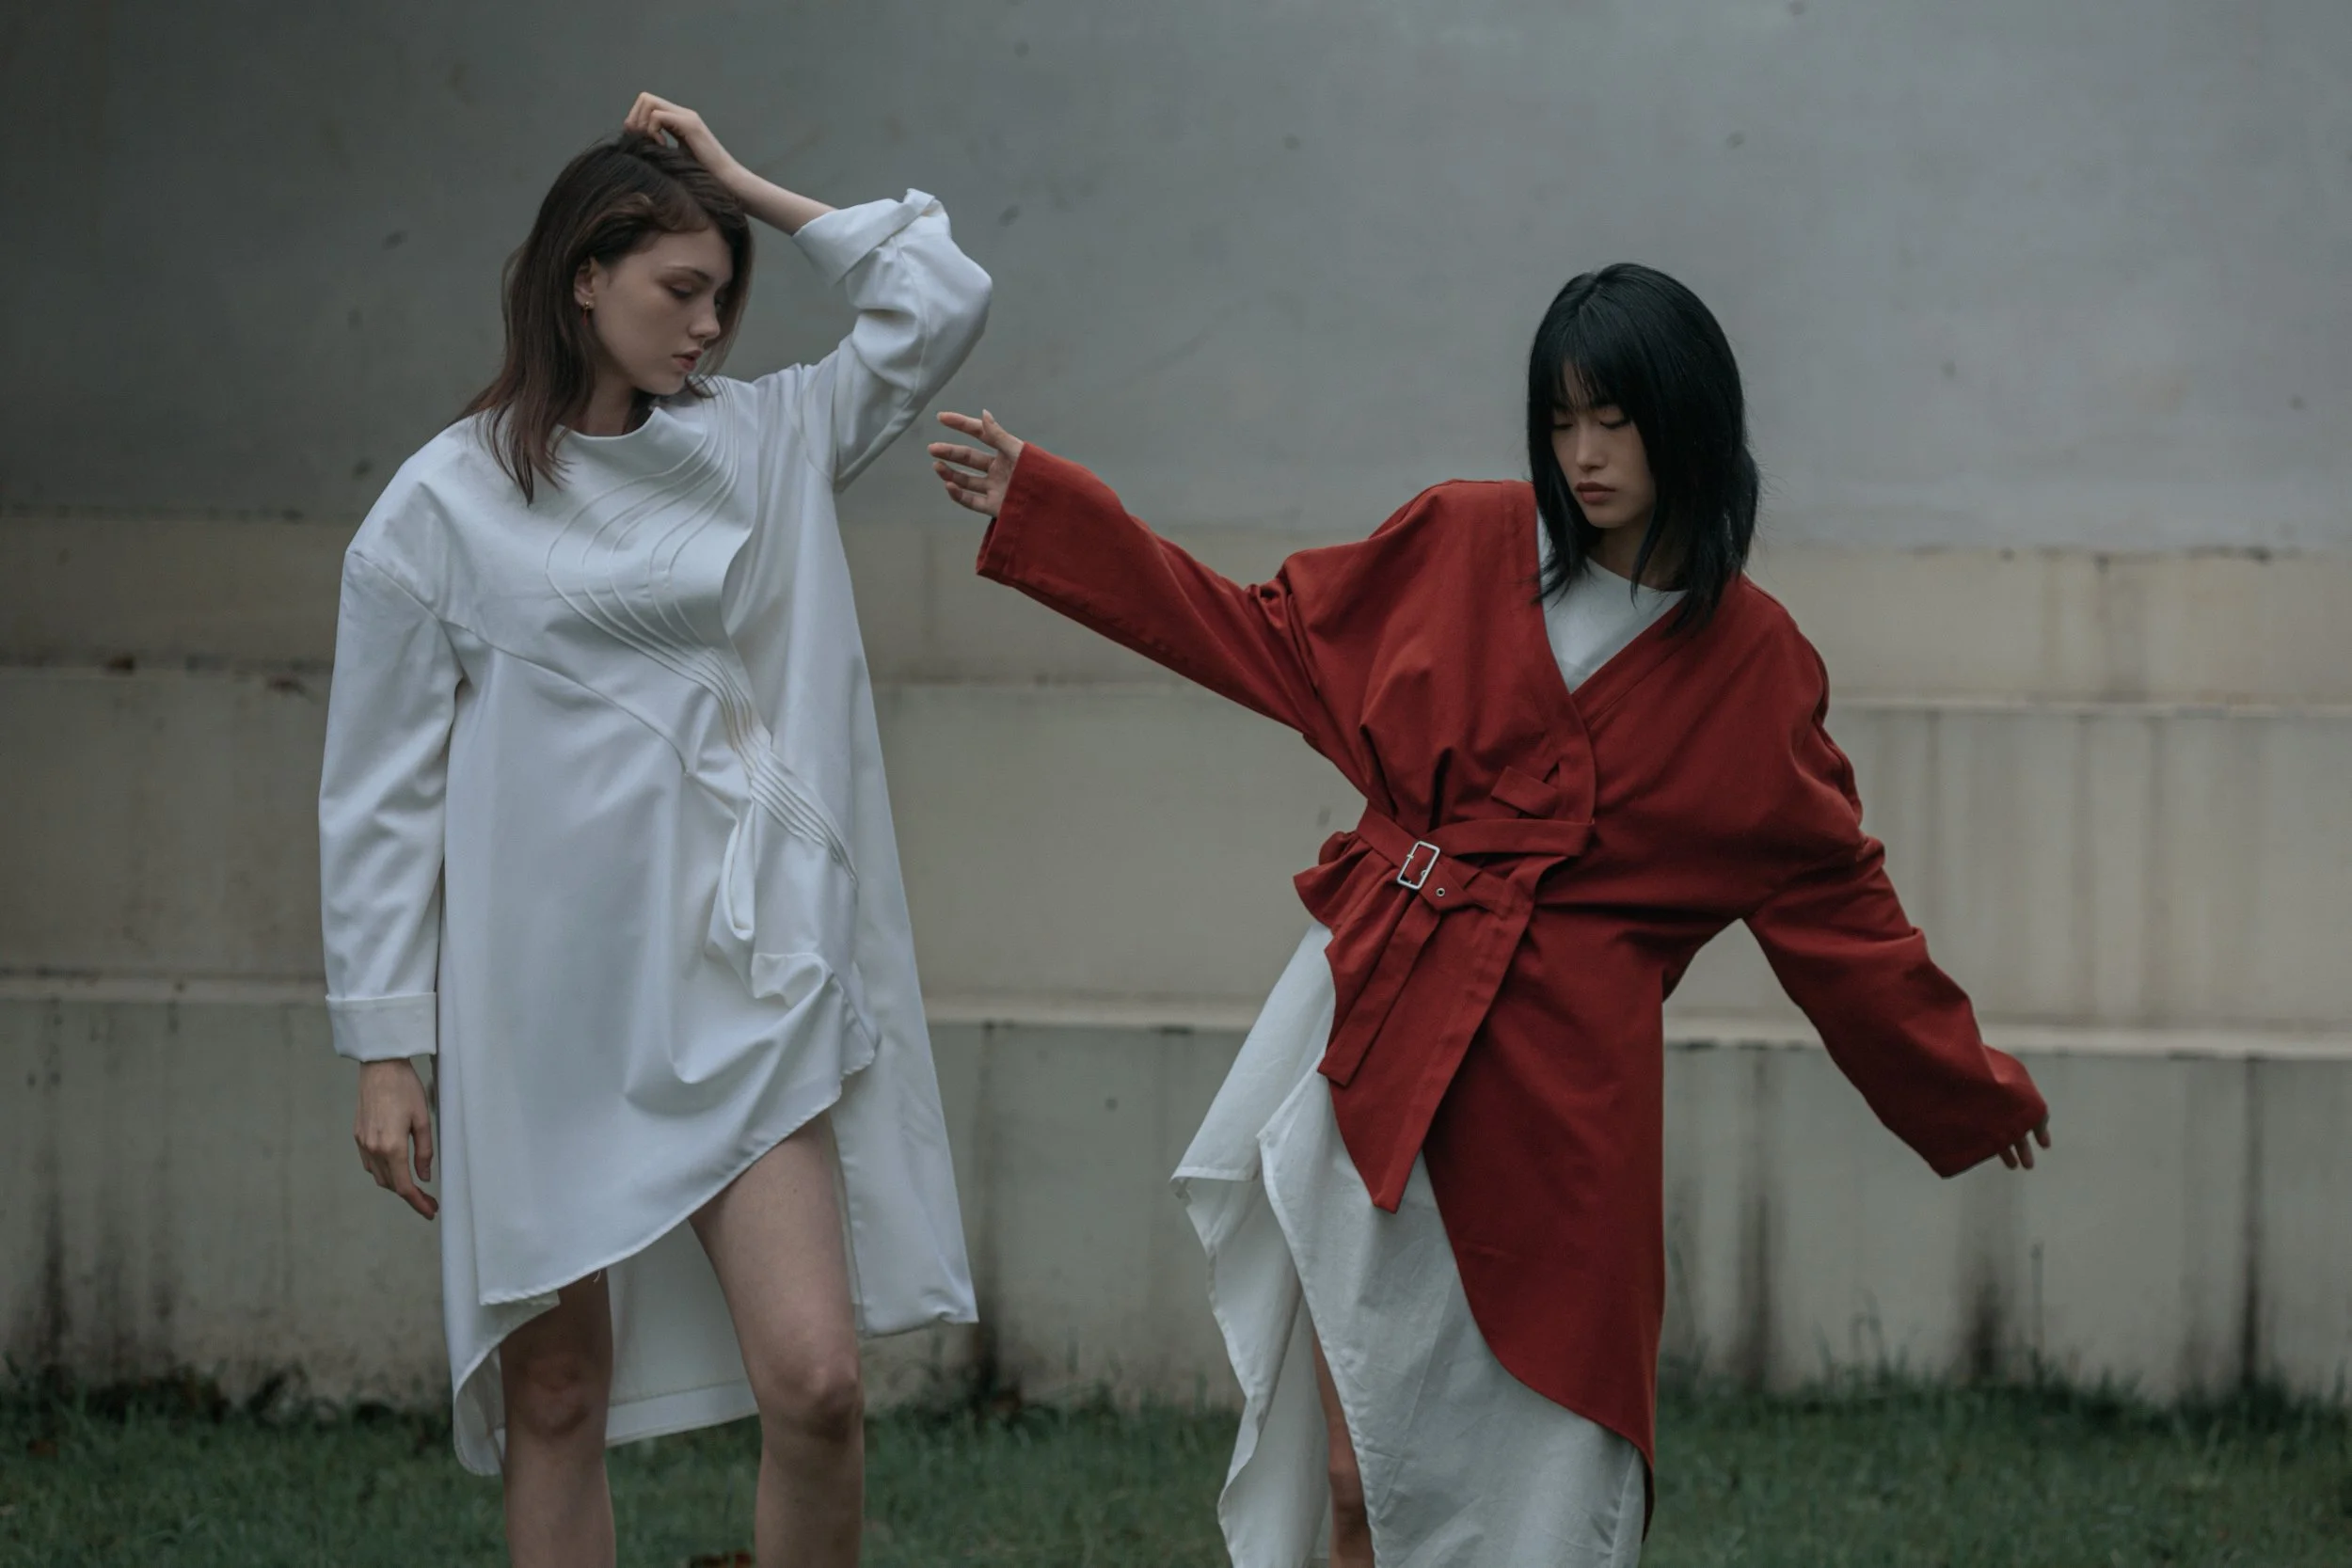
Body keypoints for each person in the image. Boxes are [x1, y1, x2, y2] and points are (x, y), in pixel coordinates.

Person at [927, 263, 2053, 1566]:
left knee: (1522, 1481)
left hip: (1561, 1119)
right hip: (1377, 1029)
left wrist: (1966, 1086)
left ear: (1688, 419)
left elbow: (1844, 919)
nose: (1583, 454)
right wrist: (1059, 520)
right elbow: (1260, 639)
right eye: (1561, 419)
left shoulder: (1754, 665)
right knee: (1354, 1474)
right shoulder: (1461, 542)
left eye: (1615, 419)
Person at [319, 94, 990, 1568]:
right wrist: (386, 1041)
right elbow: (379, 788)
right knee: (556, 1393)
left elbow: (937, 297)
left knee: (816, 1381)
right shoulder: (443, 503)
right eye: (679, 290)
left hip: (741, 992)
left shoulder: (767, 440)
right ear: (583, 277)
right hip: (540, 1005)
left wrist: (742, 182)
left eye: (724, 296)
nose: (709, 327)